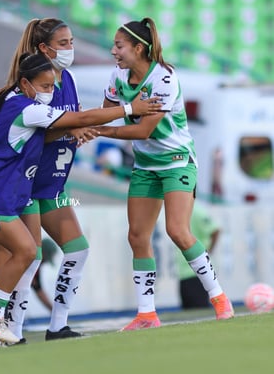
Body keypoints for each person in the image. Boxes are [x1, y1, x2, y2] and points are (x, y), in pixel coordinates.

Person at [0, 52, 160, 347]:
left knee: (1, 268)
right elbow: (83, 116)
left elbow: (37, 137)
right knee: (26, 252)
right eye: (46, 86)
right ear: (26, 83)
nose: (51, 93)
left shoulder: (6, 100)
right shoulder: (28, 108)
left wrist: (73, 129)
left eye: (53, 86)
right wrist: (130, 108)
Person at [96, 17, 234, 330]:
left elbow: (143, 130)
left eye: (119, 45)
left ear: (138, 48)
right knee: (137, 236)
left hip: (176, 161)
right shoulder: (117, 75)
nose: (113, 50)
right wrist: (94, 125)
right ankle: (147, 314)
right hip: (145, 165)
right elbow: (108, 112)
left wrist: (100, 129)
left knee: (177, 231)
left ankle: (219, 297)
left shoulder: (165, 79)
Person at [1, 18, 109, 344]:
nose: (70, 49)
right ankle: (13, 331)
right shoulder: (33, 84)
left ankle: (57, 326)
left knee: (77, 250)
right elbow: (35, 133)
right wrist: (71, 129)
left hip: (55, 185)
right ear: (44, 48)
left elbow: (73, 121)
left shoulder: (70, 79)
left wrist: (81, 131)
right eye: (63, 43)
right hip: (27, 184)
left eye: (71, 41)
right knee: (31, 257)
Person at [177, 201, 221, 309]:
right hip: (184, 272)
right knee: (188, 312)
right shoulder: (178, 210)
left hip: (197, 272)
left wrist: (208, 251)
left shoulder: (195, 210)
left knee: (199, 311)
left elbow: (215, 230)